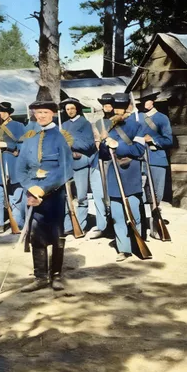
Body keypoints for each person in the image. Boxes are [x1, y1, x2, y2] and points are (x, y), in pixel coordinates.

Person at [16, 100, 74, 292]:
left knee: (57, 234)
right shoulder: (30, 138)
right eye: (38, 112)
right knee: (36, 235)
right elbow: (20, 168)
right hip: (33, 194)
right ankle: (40, 277)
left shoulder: (60, 138)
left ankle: (56, 275)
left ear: (53, 115)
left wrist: (44, 189)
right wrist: (31, 188)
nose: (41, 116)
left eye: (45, 112)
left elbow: (66, 170)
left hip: (54, 195)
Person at [98, 93, 146, 262]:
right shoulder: (108, 128)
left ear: (127, 108)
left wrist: (118, 145)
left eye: (120, 107)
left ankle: (137, 243)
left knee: (134, 213)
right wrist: (104, 145)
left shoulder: (137, 126)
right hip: (114, 173)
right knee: (117, 215)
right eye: (114, 107)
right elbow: (103, 156)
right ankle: (123, 249)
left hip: (131, 173)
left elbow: (139, 150)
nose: (116, 111)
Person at [137, 88, 173, 233]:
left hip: (156, 159)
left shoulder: (162, 118)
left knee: (156, 196)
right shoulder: (137, 117)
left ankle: (156, 227)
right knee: (138, 194)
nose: (146, 103)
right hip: (139, 161)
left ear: (153, 101)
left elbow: (169, 140)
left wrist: (152, 139)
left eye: (148, 100)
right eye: (143, 100)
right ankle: (140, 228)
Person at [60, 97, 96, 235]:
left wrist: (70, 142)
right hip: (66, 164)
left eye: (72, 108)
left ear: (77, 109)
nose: (70, 111)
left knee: (81, 196)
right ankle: (67, 226)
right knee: (66, 196)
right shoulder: (63, 125)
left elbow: (89, 144)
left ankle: (80, 226)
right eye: (67, 109)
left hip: (80, 163)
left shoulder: (85, 123)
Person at [0, 101, 26, 233]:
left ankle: (18, 223)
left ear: (9, 113)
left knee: (16, 194)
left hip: (14, 160)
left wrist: (7, 145)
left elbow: (23, 144)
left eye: (3, 111)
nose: (1, 114)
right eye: (0, 111)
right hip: (1, 161)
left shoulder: (18, 125)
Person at [88, 93, 115, 239]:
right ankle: (102, 225)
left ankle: (117, 225)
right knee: (99, 194)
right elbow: (96, 139)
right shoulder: (98, 123)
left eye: (109, 104)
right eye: (105, 105)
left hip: (115, 161)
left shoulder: (120, 122)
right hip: (100, 161)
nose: (107, 107)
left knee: (113, 195)